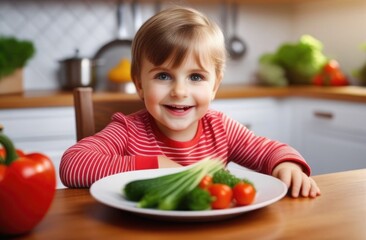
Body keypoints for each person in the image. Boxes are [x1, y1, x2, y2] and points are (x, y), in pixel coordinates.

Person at [60, 6, 320, 198]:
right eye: (163, 76)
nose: (179, 91)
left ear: (215, 85)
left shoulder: (221, 129)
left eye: (196, 77)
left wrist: (288, 164)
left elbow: (268, 150)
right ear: (139, 84)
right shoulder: (128, 131)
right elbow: (73, 164)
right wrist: (157, 166)